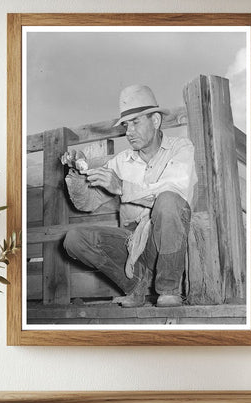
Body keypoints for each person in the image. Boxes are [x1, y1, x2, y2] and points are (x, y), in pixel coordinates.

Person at [63, 85, 197, 308]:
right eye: (126, 125)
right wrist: (77, 173)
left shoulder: (181, 148)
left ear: (155, 120)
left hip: (167, 244)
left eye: (136, 122)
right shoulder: (122, 161)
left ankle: (169, 289)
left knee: (168, 200)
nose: (129, 131)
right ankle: (136, 287)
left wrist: (122, 187)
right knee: (74, 239)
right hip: (133, 245)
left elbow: (175, 189)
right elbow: (86, 203)